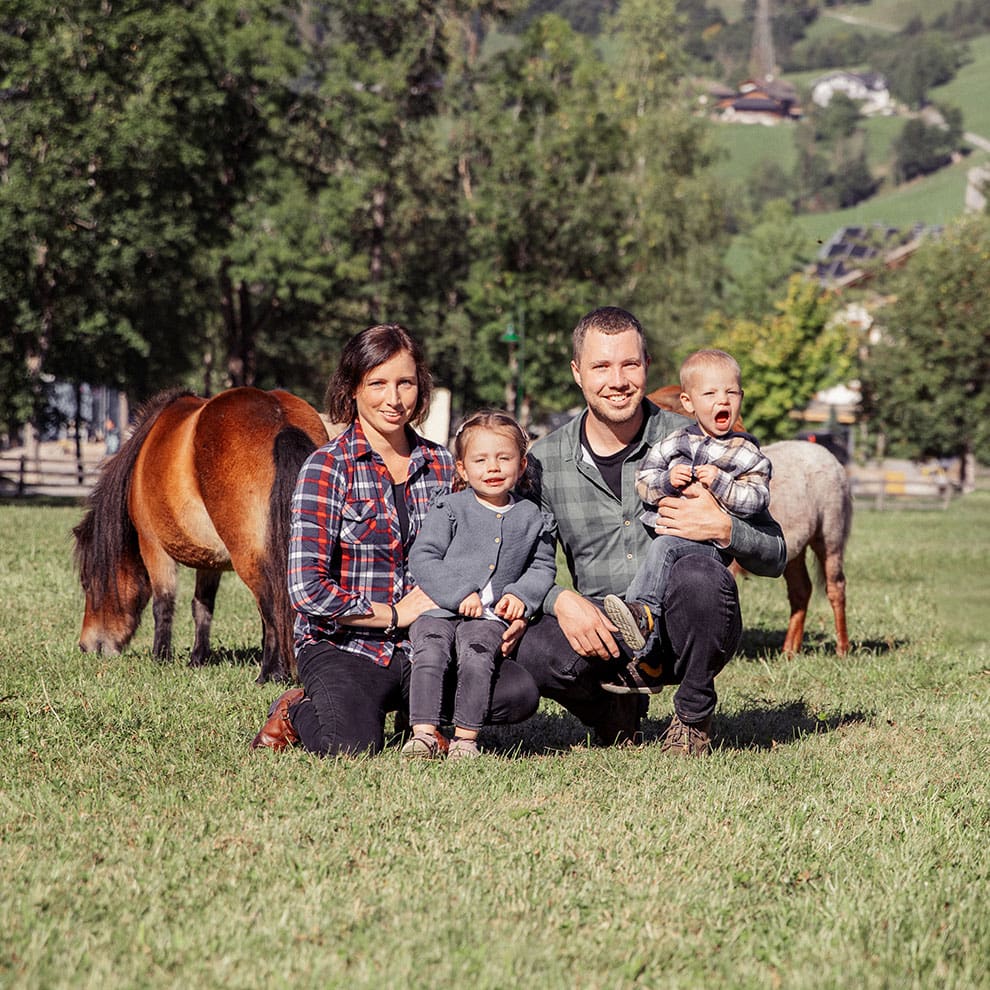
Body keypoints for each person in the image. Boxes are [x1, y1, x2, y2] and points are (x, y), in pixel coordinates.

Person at [250, 324, 540, 757]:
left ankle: (417, 715)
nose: (394, 398)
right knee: (348, 743)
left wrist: (509, 607)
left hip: (431, 640)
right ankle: (295, 712)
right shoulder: (327, 467)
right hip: (346, 643)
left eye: (405, 382)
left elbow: (487, 546)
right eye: (378, 384)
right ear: (352, 389)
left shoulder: (443, 464)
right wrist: (392, 614)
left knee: (516, 693)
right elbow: (305, 589)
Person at [513, 307, 786, 756]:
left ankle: (693, 716)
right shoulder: (543, 460)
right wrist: (560, 600)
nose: (617, 380)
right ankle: (612, 712)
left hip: (687, 622)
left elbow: (775, 552)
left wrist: (725, 528)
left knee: (701, 576)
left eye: (629, 365)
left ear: (648, 366)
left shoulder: (701, 442)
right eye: (601, 366)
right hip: (605, 626)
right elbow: (526, 563)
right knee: (532, 646)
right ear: (577, 373)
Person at [602, 348, 772, 671]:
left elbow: (757, 499)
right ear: (689, 403)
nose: (722, 401)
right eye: (710, 393)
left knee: (664, 549)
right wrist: (668, 480)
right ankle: (648, 645)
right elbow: (645, 481)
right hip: (673, 532)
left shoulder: (746, 452)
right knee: (662, 552)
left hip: (710, 550)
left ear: (741, 398)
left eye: (731, 392)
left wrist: (722, 485)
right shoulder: (676, 441)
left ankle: (641, 614)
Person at [404, 410, 557, 760]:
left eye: (504, 459)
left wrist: (522, 595)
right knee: (430, 652)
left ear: (521, 466)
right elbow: (424, 557)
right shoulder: (451, 508)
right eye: (481, 460)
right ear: (462, 468)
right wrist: (458, 594)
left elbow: (543, 565)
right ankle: (424, 733)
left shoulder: (532, 517)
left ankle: (465, 739)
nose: (493, 468)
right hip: (439, 609)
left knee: (478, 658)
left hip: (489, 617)